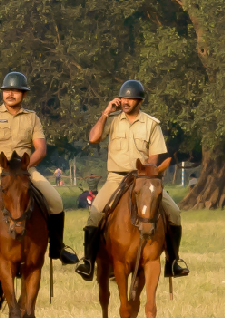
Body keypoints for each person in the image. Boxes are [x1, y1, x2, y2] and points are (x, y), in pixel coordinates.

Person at [0, 72, 77, 274]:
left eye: (15, 91)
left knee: (55, 200)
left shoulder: (32, 117)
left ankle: (58, 248)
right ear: (2, 93)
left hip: (24, 170)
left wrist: (27, 164)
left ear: (24, 94)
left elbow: (40, 148)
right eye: (7, 91)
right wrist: (1, 162)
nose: (10, 94)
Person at [75, 79, 188, 281]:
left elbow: (153, 160)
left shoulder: (151, 124)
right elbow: (93, 138)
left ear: (140, 101)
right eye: (123, 97)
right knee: (95, 213)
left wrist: (146, 178)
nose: (126, 101)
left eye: (130, 98)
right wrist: (105, 113)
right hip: (115, 178)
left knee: (174, 212)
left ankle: (174, 261)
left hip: (143, 179)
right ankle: (88, 262)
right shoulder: (113, 120)